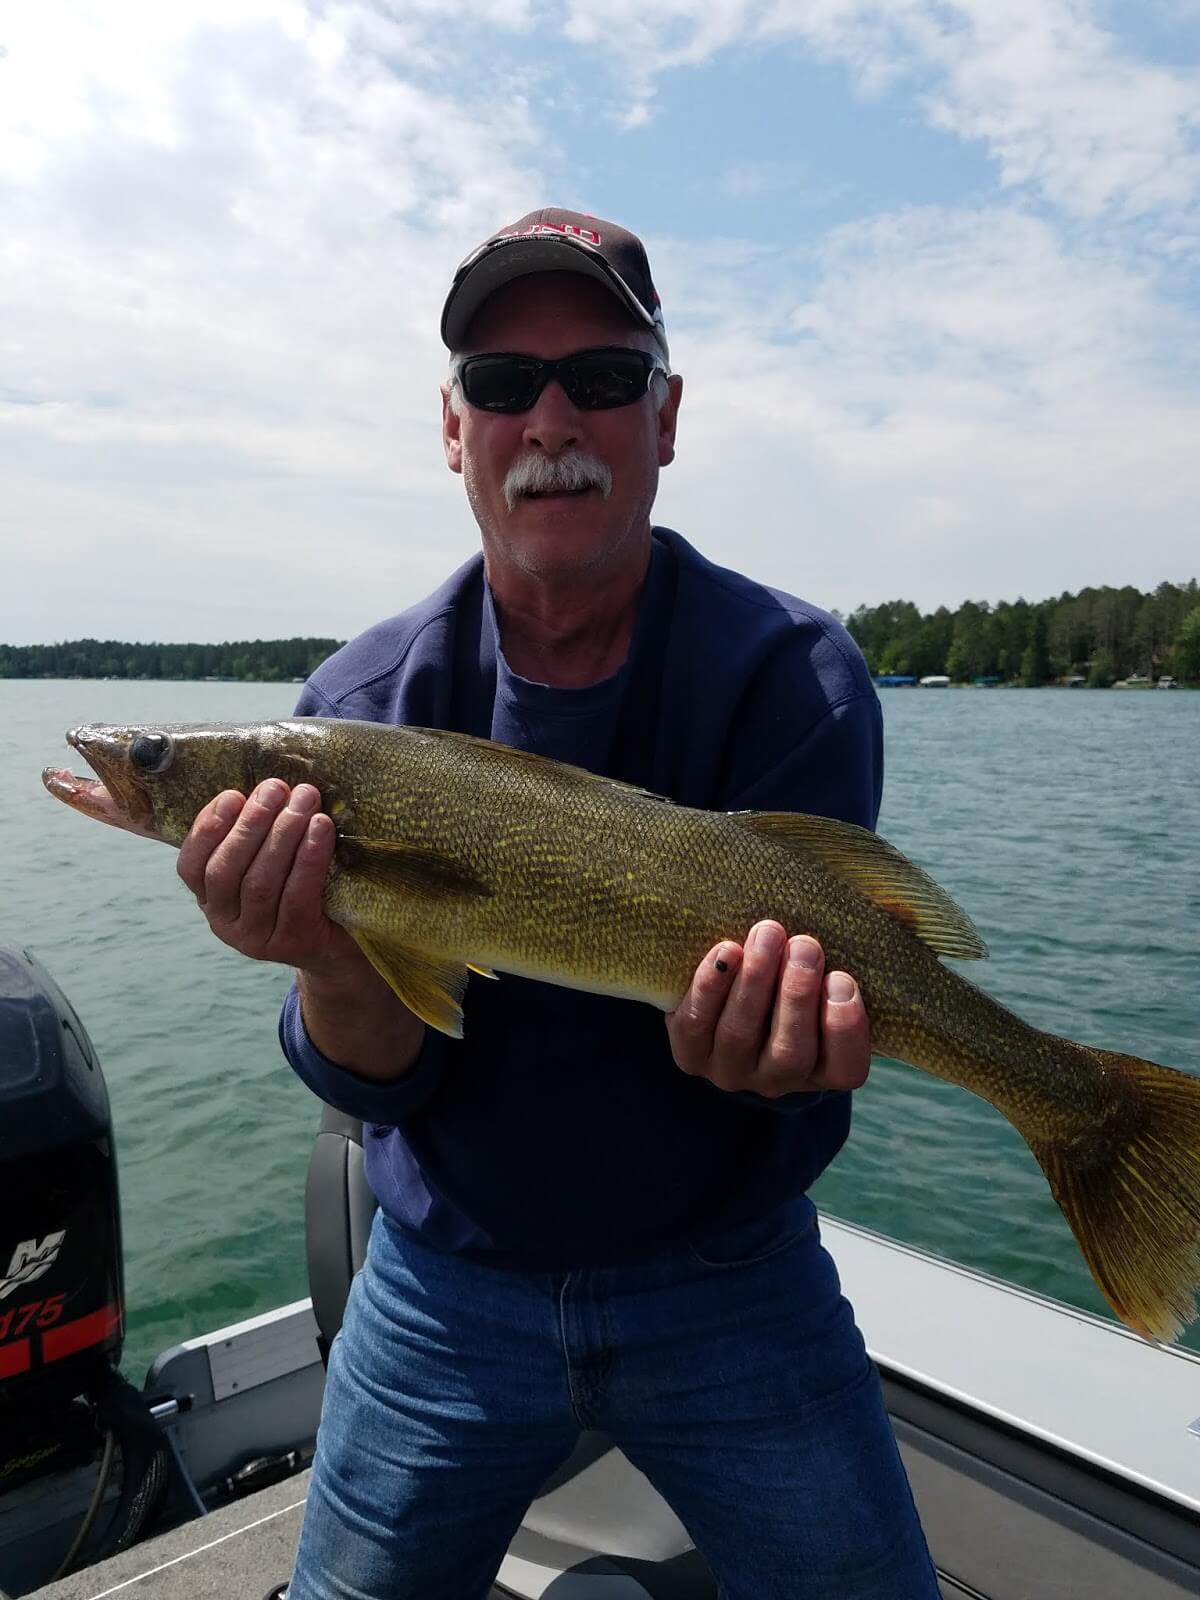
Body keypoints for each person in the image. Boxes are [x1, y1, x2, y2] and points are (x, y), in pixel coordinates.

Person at [176, 208, 940, 1599]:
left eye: (599, 377)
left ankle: (1097, 1116)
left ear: (664, 416)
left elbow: (821, 1037)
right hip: (445, 1283)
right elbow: (381, 1077)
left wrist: (777, 1072)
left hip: (731, 1273)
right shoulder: (352, 716)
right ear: (454, 431)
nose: (549, 419)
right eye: (499, 381)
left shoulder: (797, 675)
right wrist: (329, 962)